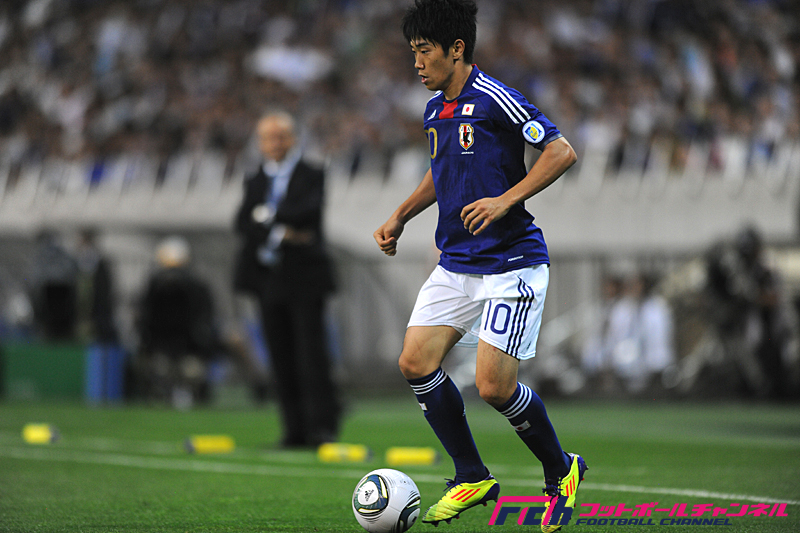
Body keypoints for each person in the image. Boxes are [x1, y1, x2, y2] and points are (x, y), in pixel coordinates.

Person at [373, 1, 586, 530]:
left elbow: (561, 151)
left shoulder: (494, 98)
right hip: (456, 264)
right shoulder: (434, 109)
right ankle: (471, 474)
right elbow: (440, 169)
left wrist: (505, 200)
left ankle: (561, 470)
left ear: (456, 49)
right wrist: (400, 215)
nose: (417, 63)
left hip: (511, 264)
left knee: (493, 387)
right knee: (414, 362)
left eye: (424, 52)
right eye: (413, 52)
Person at [233, 111, 340, 448]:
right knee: (279, 355)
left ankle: (322, 426)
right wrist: (283, 230)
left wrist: (267, 217)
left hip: (305, 277)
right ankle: (293, 430)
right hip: (268, 278)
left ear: (292, 139)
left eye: (280, 137)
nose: (275, 144)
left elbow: (308, 212)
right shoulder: (255, 179)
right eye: (268, 138)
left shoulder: (312, 173)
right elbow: (242, 223)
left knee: (312, 354)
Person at [136, 236, 221, 407]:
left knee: (191, 372)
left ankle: (191, 394)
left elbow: (205, 321)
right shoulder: (154, 288)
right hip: (162, 347)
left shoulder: (197, 288)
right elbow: (145, 319)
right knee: (159, 370)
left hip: (190, 348)